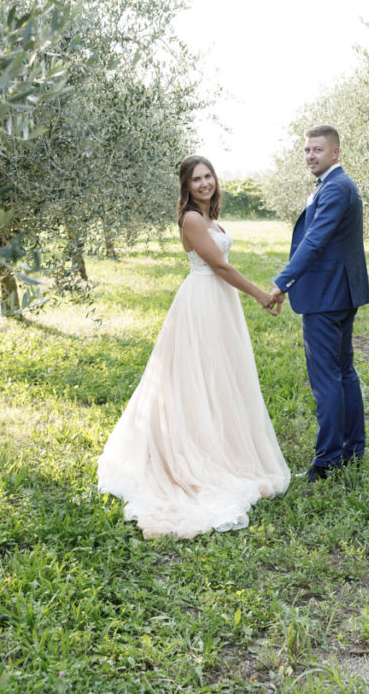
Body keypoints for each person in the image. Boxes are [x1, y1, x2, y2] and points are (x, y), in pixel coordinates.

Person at [97, 155, 290, 538]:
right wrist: (260, 295)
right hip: (202, 300)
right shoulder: (191, 219)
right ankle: (196, 454)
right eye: (196, 179)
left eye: (209, 177)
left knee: (220, 379)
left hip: (219, 303)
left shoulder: (209, 218)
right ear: (185, 186)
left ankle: (221, 445)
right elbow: (219, 266)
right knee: (196, 377)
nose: (204, 184)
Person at [270, 125, 369, 481]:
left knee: (327, 378)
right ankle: (352, 450)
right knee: (343, 372)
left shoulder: (337, 187)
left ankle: (327, 461)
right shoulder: (332, 186)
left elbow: (313, 242)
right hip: (338, 292)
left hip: (327, 295)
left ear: (335, 153)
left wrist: (282, 283)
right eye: (307, 150)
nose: (311, 156)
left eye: (318, 150)